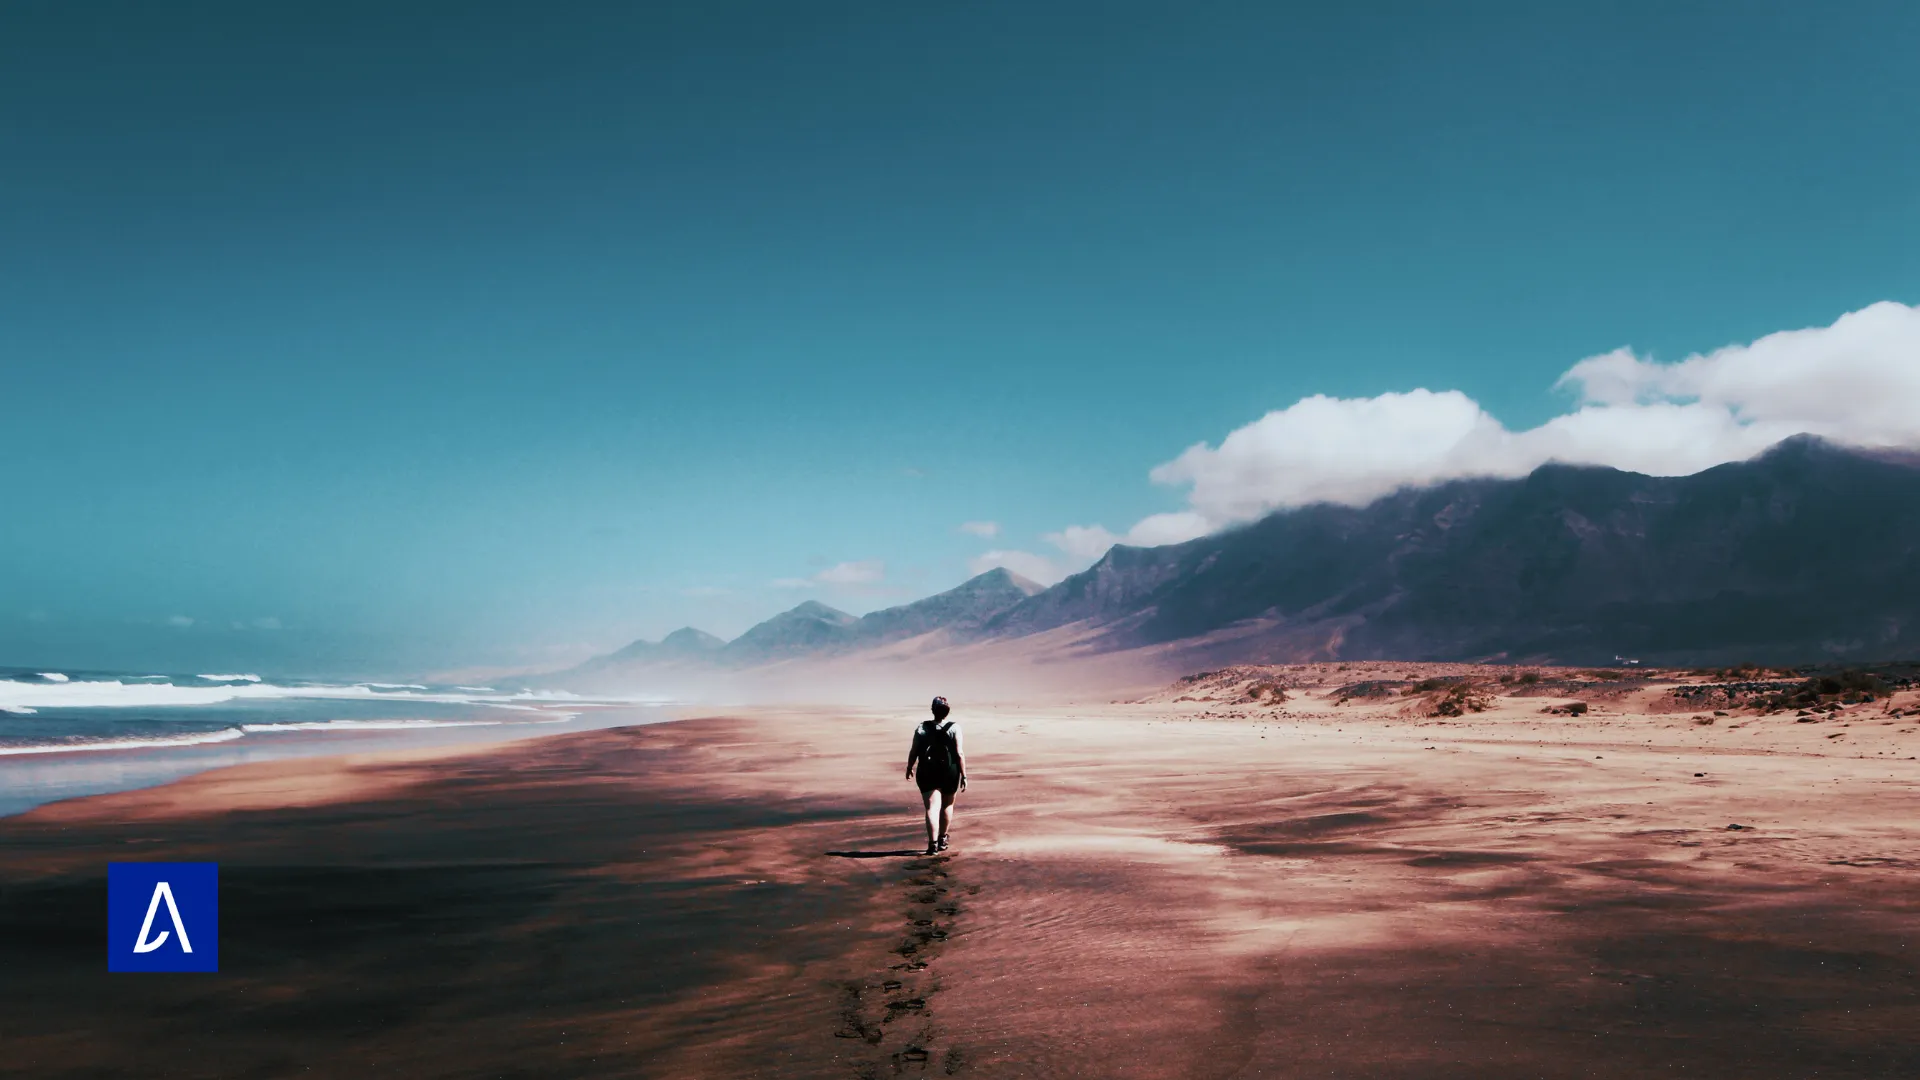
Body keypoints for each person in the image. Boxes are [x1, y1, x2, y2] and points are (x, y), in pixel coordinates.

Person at [905, 695, 967, 855]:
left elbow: (914, 750)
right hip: (950, 771)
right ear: (947, 711)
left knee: (932, 808)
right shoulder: (955, 728)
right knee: (947, 805)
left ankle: (932, 845)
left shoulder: (922, 727)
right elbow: (959, 753)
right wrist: (964, 775)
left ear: (933, 710)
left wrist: (909, 766)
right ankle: (942, 839)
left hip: (927, 771)